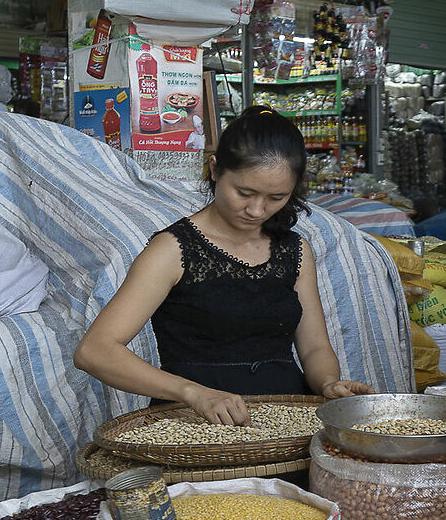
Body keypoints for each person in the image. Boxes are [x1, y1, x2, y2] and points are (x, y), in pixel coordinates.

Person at [76, 106, 372, 424]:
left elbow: (314, 347)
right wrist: (193, 393)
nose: (257, 210)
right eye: (244, 193)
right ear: (215, 169)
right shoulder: (173, 250)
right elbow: (95, 351)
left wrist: (327, 383)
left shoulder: (295, 250)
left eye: (276, 197)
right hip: (194, 424)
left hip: (286, 421)